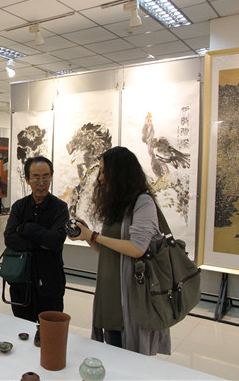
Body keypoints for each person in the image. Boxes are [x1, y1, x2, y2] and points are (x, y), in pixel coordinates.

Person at [68, 146, 170, 356]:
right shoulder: (117, 205)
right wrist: (87, 235)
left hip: (131, 295)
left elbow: (137, 248)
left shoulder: (143, 202)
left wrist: (94, 236)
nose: (100, 178)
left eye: (104, 171)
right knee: (112, 352)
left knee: (130, 359)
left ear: (120, 173)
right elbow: (109, 250)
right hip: (111, 294)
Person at [3, 156, 69, 322]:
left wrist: (25, 228)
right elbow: (9, 238)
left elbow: (55, 241)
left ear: (51, 177)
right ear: (27, 179)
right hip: (21, 282)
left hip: (50, 281)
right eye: (36, 178)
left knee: (50, 330)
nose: (41, 183)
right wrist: (40, 242)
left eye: (46, 177)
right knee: (22, 327)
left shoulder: (60, 208)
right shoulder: (19, 206)